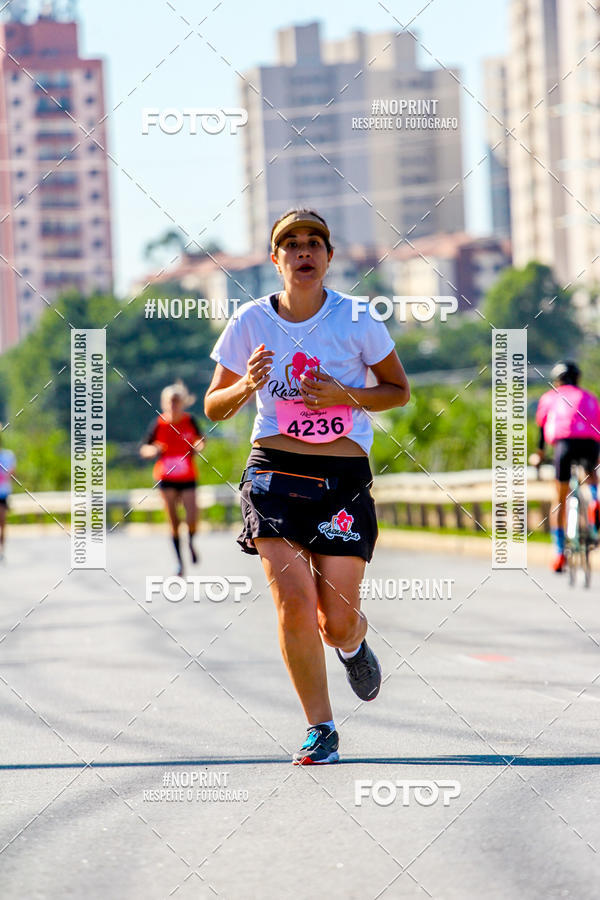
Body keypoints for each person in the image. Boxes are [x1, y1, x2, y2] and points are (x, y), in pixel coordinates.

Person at [204, 208, 410, 765]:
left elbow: (398, 391)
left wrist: (346, 395)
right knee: (293, 603)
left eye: (314, 243)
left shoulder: (357, 318)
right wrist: (246, 384)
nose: (303, 251)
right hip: (273, 473)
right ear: (275, 260)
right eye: (290, 244)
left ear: (328, 257)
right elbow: (213, 407)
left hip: (340, 480)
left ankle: (353, 644)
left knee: (332, 618)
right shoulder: (250, 321)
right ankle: (320, 726)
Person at [530, 361, 600, 572]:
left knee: (559, 500)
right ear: (577, 379)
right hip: (590, 443)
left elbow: (542, 430)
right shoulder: (589, 396)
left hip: (564, 445)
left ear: (557, 380)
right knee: (591, 477)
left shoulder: (550, 397)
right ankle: (595, 500)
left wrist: (539, 455)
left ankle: (559, 552)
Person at [140, 381, 205, 576]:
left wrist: (198, 446)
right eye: (170, 401)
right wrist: (153, 450)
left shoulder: (189, 421)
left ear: (183, 403)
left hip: (187, 476)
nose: (173, 405)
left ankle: (191, 541)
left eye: (177, 401)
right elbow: (144, 448)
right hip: (166, 477)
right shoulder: (158, 424)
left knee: (192, 518)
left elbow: (201, 439)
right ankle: (179, 562)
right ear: (163, 403)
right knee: (174, 521)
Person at [0, 427, 16, 561]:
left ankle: (2, 549)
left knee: (2, 522)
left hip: (3, 493)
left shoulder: (7, 455)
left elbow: (12, 473)